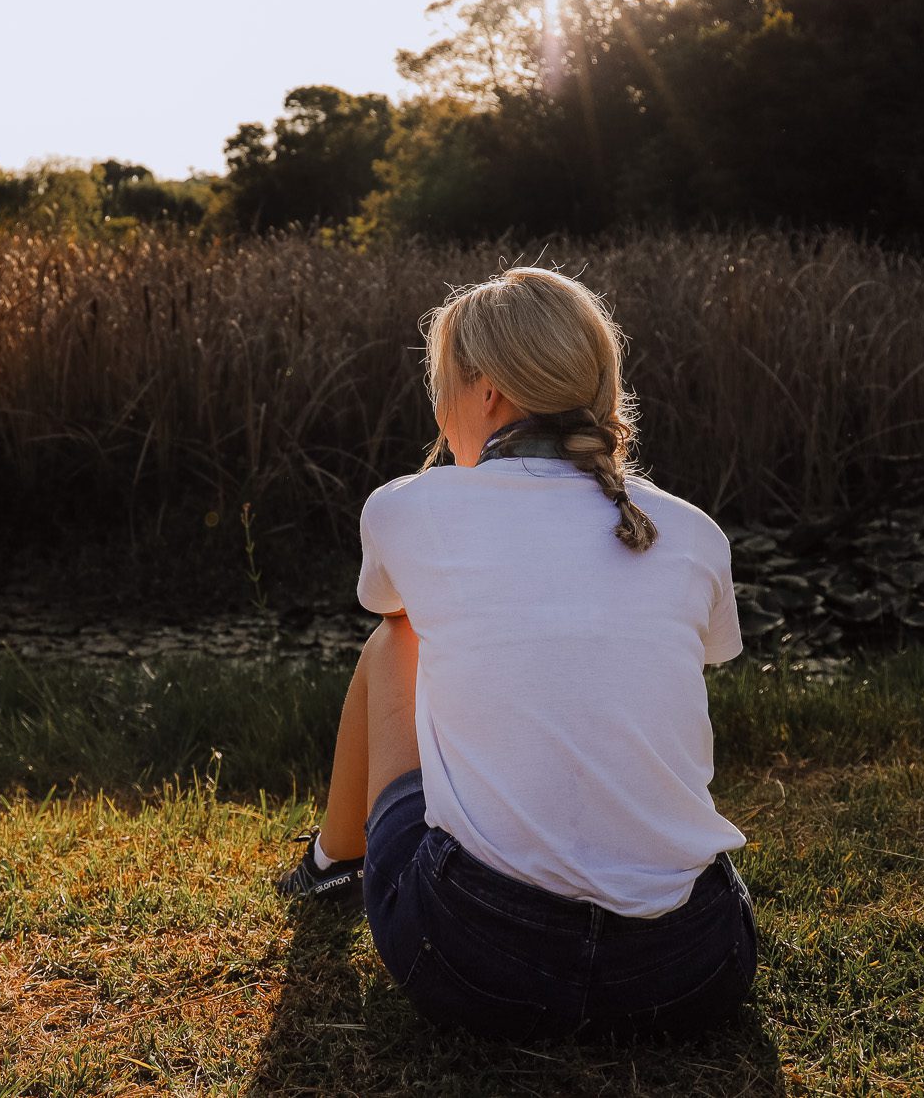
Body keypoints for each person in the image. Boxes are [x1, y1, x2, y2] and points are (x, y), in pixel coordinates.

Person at [273, 265, 757, 1041]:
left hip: (478, 958)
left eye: (444, 392)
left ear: (488, 393)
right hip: (691, 969)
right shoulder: (693, 531)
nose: (439, 415)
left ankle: (332, 859)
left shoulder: (408, 507)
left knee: (398, 635)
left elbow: (397, 612)